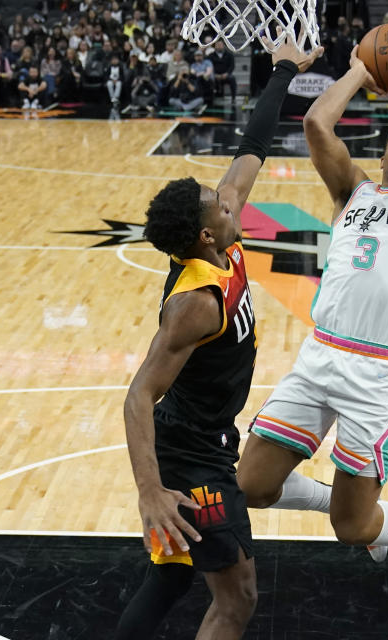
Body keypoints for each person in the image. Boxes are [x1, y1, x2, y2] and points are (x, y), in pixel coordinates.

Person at [235, 25, 388, 603]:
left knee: (353, 529)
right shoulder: (353, 193)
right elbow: (317, 124)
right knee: (252, 485)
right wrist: (364, 69)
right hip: (319, 356)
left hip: (376, 374)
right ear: (383, 153)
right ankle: (336, 493)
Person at [116, 36, 323, 640]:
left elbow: (253, 145)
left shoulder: (217, 235)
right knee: (238, 599)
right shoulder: (196, 305)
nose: (231, 201)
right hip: (193, 457)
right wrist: (151, 492)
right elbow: (136, 397)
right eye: (221, 207)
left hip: (206, 436)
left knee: (172, 577)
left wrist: (283, 70)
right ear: (207, 238)